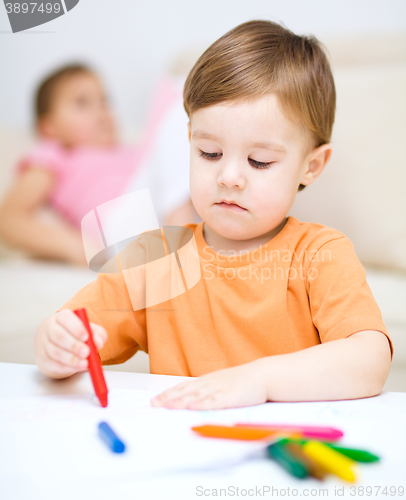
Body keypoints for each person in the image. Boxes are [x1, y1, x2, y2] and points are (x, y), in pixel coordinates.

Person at [33, 20, 393, 410]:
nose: (230, 177)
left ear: (312, 166)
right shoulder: (156, 254)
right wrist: (55, 344)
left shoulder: (320, 254)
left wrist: (260, 379)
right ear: (190, 141)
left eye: (259, 161)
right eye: (210, 154)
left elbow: (369, 359)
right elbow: (78, 329)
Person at [0, 64, 198, 265]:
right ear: (49, 127)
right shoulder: (55, 153)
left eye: (104, 101)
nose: (101, 111)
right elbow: (8, 219)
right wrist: (73, 246)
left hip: (155, 209)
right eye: (82, 103)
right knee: (183, 107)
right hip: (122, 225)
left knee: (186, 98)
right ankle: (181, 246)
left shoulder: (126, 150)